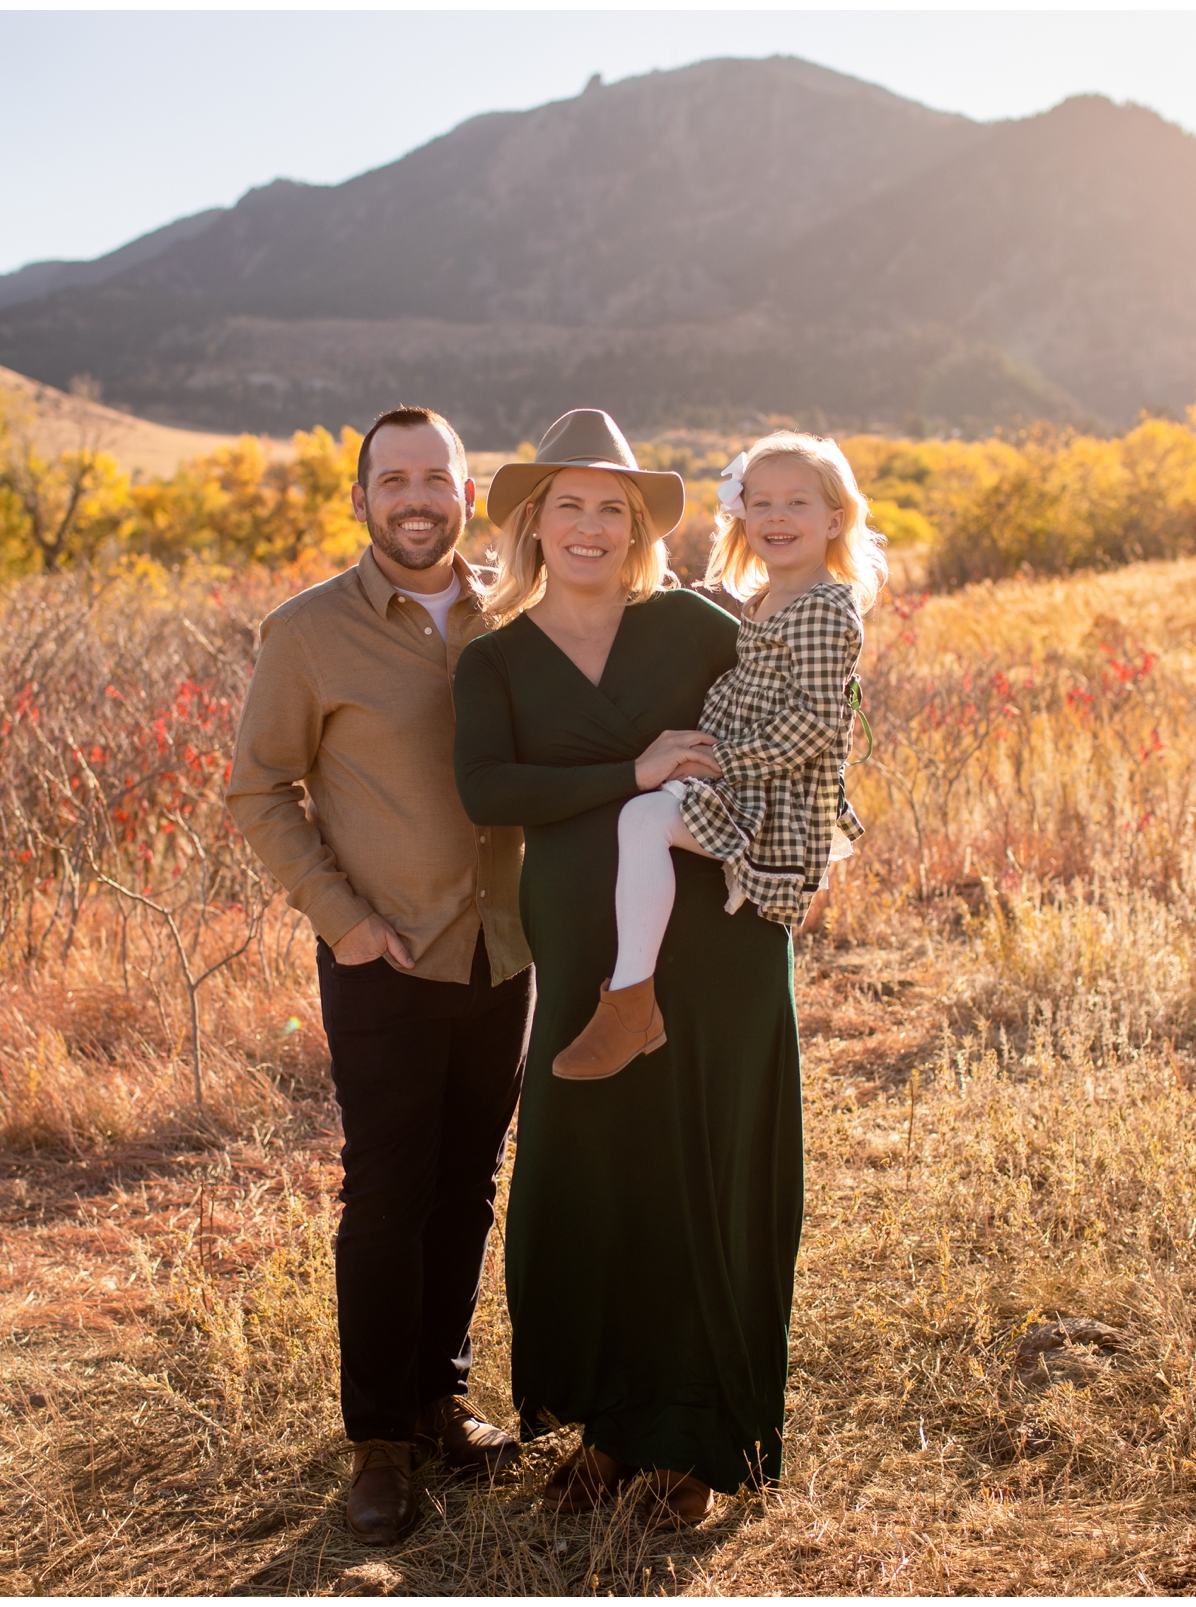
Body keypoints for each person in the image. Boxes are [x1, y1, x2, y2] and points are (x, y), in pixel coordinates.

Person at [453, 408, 804, 1529]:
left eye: (615, 507)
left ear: (642, 527)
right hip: (584, 960)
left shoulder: (699, 625)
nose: (593, 525)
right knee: (594, 1175)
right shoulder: (497, 657)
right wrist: (632, 764)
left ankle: (690, 1442)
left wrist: (814, 840)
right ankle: (609, 1425)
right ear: (533, 524)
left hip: (718, 948)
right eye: (571, 505)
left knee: (700, 1174)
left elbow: (819, 708)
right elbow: (489, 793)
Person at [225, 405, 534, 1547]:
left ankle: (440, 1400)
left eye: (435, 478)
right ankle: (379, 1442)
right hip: (386, 956)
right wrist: (340, 918)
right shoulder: (308, 632)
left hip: (504, 949)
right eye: (392, 479)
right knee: (389, 1196)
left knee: (470, 1185)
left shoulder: (517, 612)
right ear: (361, 499)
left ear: (468, 493)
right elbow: (259, 789)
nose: (415, 498)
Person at [555, 432, 885, 1080]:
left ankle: (629, 1003)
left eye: (797, 502)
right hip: (746, 775)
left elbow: (818, 723)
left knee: (642, 820)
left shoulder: (825, 608)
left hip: (772, 795)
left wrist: (723, 761)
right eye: (760, 503)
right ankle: (630, 998)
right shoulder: (769, 597)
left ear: (835, 519)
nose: (776, 517)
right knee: (641, 816)